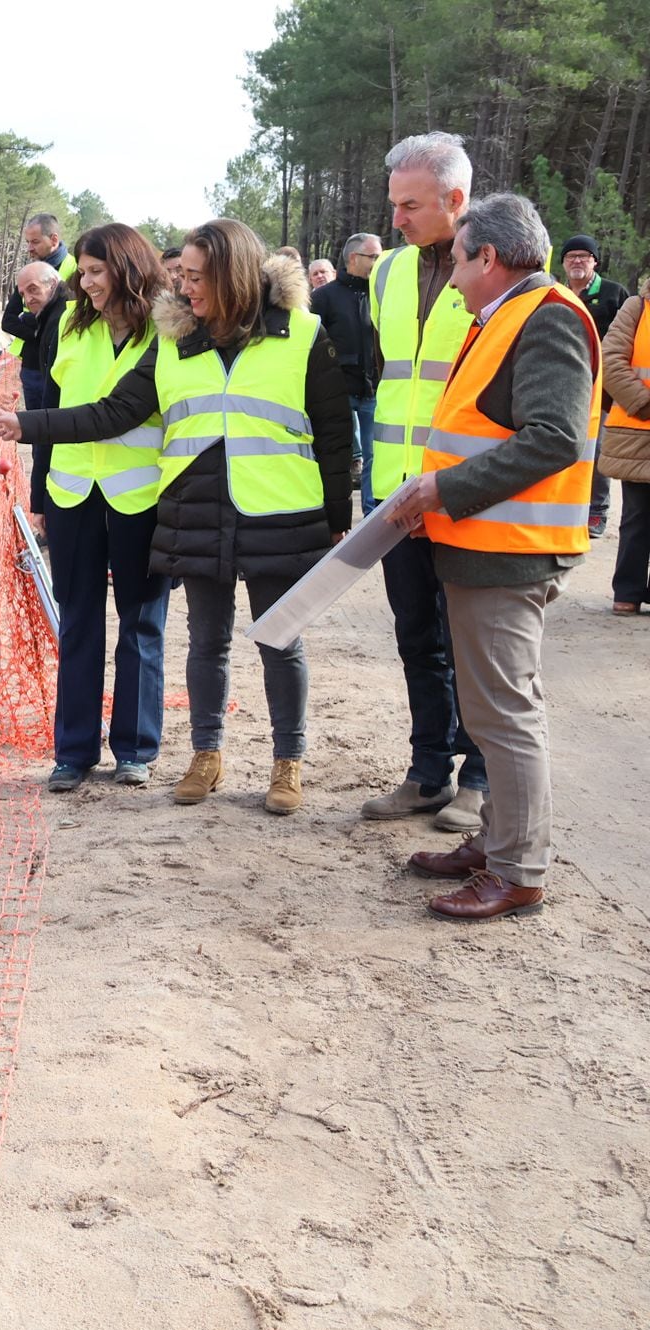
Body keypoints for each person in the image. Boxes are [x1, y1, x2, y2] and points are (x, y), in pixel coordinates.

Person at [0, 218, 353, 814]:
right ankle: (206, 756)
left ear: (233, 274)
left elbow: (336, 435)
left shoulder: (303, 334)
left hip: (277, 511)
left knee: (279, 642)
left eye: (198, 277)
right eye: (182, 275)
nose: (185, 287)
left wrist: (338, 516)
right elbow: (113, 412)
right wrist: (29, 427)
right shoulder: (176, 342)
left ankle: (287, 764)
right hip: (198, 511)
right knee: (207, 643)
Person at [390, 194, 597, 921]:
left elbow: (553, 438)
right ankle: (498, 841)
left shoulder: (547, 318)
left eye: (457, 261)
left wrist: (443, 489)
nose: (449, 278)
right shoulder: (506, 316)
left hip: (509, 554)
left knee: (506, 714)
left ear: (490, 257)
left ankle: (518, 871)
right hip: (482, 547)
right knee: (490, 710)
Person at [4, 223, 172, 792]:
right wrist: (41, 493)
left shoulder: (165, 337)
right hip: (73, 497)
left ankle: (134, 749)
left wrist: (26, 428)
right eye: (82, 270)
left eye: (96, 271)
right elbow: (52, 402)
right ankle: (72, 753)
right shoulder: (70, 328)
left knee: (141, 625)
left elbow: (113, 413)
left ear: (127, 269)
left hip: (140, 499)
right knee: (77, 623)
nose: (86, 282)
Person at [362, 131, 487, 833]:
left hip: (465, 493)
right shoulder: (388, 275)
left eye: (409, 205)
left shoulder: (495, 271)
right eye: (394, 203)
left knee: (470, 643)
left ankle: (480, 777)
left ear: (456, 200)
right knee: (417, 638)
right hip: (396, 489)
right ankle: (428, 772)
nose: (397, 220)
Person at [559, 233, 631, 537]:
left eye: (584, 256)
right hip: (562, 386)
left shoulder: (615, 294)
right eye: (571, 256)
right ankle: (565, 507)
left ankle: (597, 512)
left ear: (595, 262)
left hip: (601, 389)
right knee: (561, 445)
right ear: (562, 263)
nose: (577, 261)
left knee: (597, 448)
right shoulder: (555, 293)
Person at [310, 232, 383, 507]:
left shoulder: (380, 293)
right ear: (354, 258)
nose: (379, 261)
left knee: (373, 459)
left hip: (373, 389)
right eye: (374, 256)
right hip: (338, 391)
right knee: (337, 455)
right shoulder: (324, 297)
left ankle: (370, 517)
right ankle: (334, 515)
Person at [598, 279, 650, 614]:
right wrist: (644, 404)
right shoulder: (637, 306)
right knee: (638, 514)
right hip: (639, 431)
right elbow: (611, 358)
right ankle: (627, 594)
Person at [12, 260, 71, 532]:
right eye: (23, 293)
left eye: (33, 289)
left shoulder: (59, 323)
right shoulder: (53, 319)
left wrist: (40, 499)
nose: (28, 299)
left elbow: (53, 405)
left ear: (54, 284)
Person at [1, 212, 78, 405]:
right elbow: (8, 321)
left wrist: (42, 328)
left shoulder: (77, 271)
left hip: (66, 363)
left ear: (53, 239)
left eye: (34, 242)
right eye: (27, 242)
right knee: (36, 427)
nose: (29, 249)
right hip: (33, 367)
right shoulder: (29, 275)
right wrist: (37, 333)